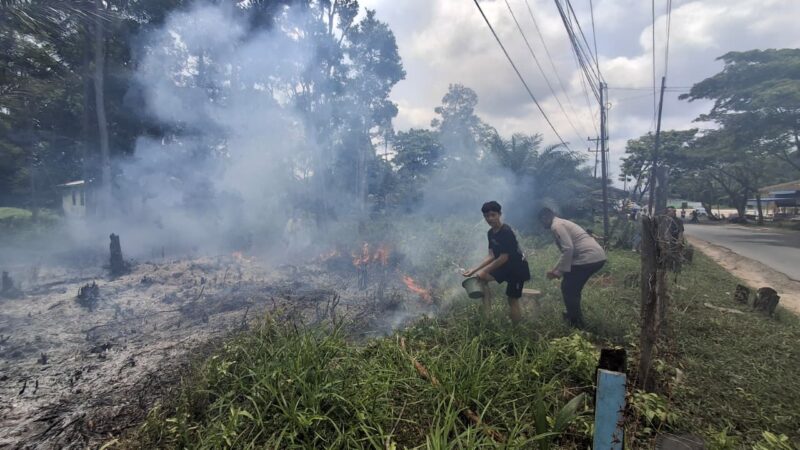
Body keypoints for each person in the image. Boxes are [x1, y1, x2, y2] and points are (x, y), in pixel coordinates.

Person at [463, 201, 531, 324]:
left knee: (512, 300)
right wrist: (474, 270)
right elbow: (492, 255)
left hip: (517, 269)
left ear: (499, 214)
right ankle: (487, 318)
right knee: (481, 279)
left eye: (493, 215)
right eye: (486, 216)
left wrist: (484, 270)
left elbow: (503, 257)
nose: (490, 219)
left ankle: (517, 329)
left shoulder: (506, 231)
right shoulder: (490, 233)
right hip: (505, 267)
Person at [538, 207, 606, 328]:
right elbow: (568, 251)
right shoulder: (561, 223)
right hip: (595, 257)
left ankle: (576, 322)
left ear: (545, 218)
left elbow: (568, 249)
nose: (542, 224)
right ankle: (573, 315)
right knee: (571, 287)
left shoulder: (556, 226)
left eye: (541, 221)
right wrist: (556, 271)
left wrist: (557, 272)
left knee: (568, 287)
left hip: (588, 257)